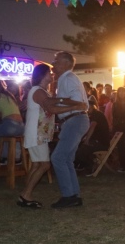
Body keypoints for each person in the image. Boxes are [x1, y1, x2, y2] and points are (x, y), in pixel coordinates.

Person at [19, 64, 84, 208]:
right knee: (44, 164)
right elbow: (51, 108)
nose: (52, 74)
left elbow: (55, 101)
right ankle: (26, 195)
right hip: (36, 134)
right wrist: (74, 106)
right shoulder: (37, 91)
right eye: (49, 72)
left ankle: (24, 195)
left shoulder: (43, 91)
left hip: (39, 133)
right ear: (42, 75)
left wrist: (69, 101)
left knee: (37, 165)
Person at [50, 51, 90, 208]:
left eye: (56, 61)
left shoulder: (67, 78)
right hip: (76, 120)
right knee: (66, 159)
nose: (53, 64)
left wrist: (55, 100)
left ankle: (69, 196)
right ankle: (73, 195)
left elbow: (77, 101)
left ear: (67, 63)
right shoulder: (66, 78)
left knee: (58, 158)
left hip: (75, 120)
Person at [75, 96, 111, 173]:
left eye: (88, 107)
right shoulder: (91, 115)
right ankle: (81, 166)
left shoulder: (97, 114)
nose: (87, 109)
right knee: (78, 146)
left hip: (101, 143)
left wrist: (86, 140)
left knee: (84, 149)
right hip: (96, 141)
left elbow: (92, 127)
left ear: (92, 106)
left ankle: (89, 167)